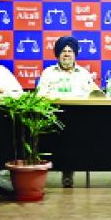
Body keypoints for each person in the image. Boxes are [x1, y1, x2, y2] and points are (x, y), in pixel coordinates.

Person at [37, 36, 99, 188]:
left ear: (75, 54)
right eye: (63, 51)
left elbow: (95, 93)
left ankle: (69, 170)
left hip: (80, 118)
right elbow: (39, 96)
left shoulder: (83, 73)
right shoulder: (48, 73)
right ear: (57, 54)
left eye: (70, 51)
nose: (66, 54)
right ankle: (65, 170)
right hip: (54, 117)